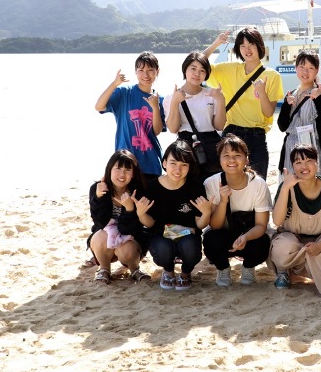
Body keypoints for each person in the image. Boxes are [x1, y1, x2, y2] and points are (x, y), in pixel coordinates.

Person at [268, 144, 321, 293]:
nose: (304, 166)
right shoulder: (287, 186)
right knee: (281, 247)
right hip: (293, 240)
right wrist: (286, 188)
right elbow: (277, 221)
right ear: (293, 166)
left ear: (317, 163)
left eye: (309, 161)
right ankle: (284, 272)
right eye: (298, 162)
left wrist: (320, 246)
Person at [203, 28, 284, 179]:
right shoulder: (229, 69)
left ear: (259, 46)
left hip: (257, 137)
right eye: (242, 46)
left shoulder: (272, 76)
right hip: (231, 135)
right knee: (229, 183)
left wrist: (262, 92)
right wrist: (217, 43)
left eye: (251, 44)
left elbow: (268, 112)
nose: (247, 49)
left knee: (258, 183)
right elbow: (199, 63)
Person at [135, 140, 212, 291]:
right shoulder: (152, 186)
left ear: (189, 167)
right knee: (163, 249)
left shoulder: (195, 187)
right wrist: (140, 213)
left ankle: (185, 274)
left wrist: (206, 212)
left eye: (184, 164)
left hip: (188, 235)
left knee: (190, 248)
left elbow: (200, 224)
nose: (178, 169)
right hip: (161, 235)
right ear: (164, 163)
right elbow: (150, 223)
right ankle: (168, 271)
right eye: (173, 163)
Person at [202, 135, 272, 287]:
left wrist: (245, 237)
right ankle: (223, 268)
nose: (232, 160)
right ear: (220, 159)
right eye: (226, 155)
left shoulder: (258, 184)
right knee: (210, 240)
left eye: (237, 155)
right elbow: (215, 226)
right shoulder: (211, 183)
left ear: (246, 159)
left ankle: (248, 267)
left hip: (250, 234)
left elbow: (261, 225)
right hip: (224, 233)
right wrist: (223, 201)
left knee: (263, 243)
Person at [95, 51, 165, 180]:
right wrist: (114, 84)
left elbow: (156, 131)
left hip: (151, 163)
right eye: (141, 70)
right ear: (135, 72)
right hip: (125, 163)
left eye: (150, 70)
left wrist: (155, 108)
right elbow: (99, 107)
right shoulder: (124, 93)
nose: (145, 75)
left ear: (157, 71)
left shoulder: (160, 100)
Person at [87, 150, 151, 285]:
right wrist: (98, 198)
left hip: (131, 240)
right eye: (118, 168)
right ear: (109, 169)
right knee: (100, 236)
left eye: (128, 170)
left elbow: (130, 230)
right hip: (104, 240)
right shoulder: (98, 188)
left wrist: (129, 209)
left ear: (133, 174)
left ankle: (134, 269)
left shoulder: (138, 192)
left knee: (125, 248)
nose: (122, 174)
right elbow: (100, 222)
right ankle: (104, 269)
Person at [163, 51, 226, 174]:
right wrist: (175, 102)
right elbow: (173, 129)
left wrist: (221, 100)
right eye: (193, 68)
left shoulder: (211, 95)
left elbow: (219, 126)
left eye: (202, 70)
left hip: (209, 146)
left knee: (210, 182)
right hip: (186, 147)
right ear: (185, 69)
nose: (197, 74)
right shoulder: (171, 97)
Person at [277, 50, 321, 177]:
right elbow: (282, 127)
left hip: (312, 152)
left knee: (312, 186)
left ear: (317, 70)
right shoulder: (291, 94)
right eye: (302, 67)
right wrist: (286, 105)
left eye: (311, 68)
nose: (305, 72)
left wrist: (320, 99)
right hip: (291, 152)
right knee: (290, 186)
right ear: (296, 68)